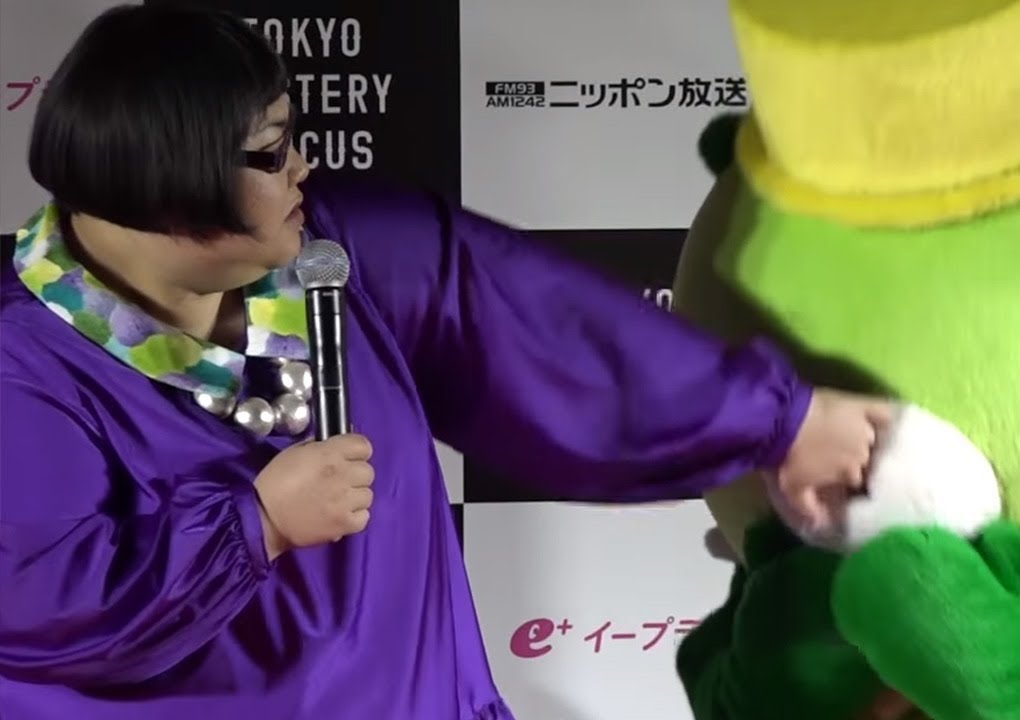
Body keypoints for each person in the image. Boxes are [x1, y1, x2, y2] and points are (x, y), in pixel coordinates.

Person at [0, 6, 891, 720]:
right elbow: (41, 599)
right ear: (166, 178)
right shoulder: (21, 361)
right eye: (271, 152)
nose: (304, 166)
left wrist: (781, 421)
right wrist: (256, 525)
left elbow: (549, 332)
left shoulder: (334, 248)